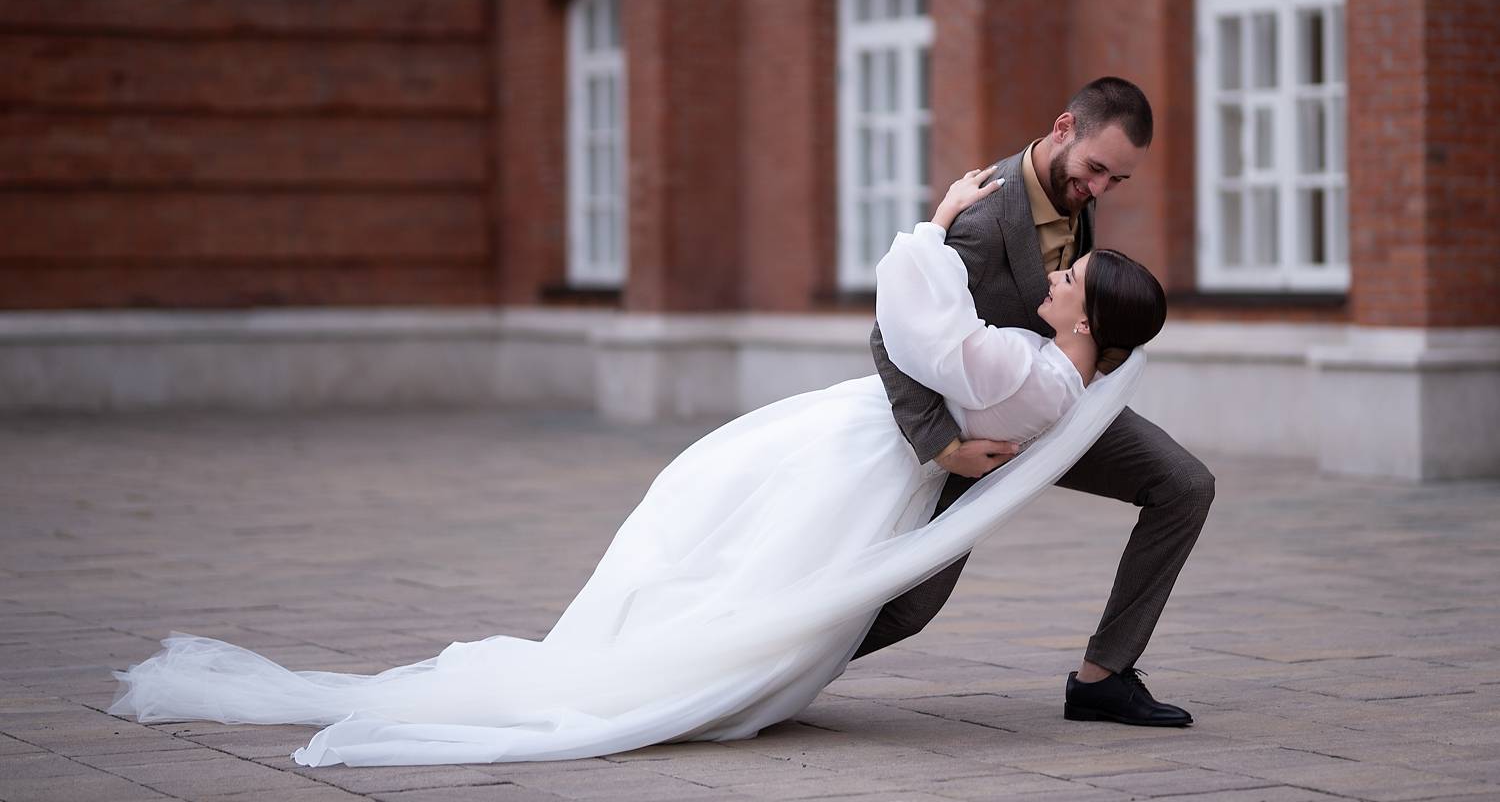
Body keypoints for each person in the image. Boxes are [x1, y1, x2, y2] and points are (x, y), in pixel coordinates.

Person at [109, 166, 1168, 767]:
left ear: (1091, 323)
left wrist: (932, 226)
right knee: (732, 548)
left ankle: (663, 670)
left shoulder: (1035, 378)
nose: (1057, 278)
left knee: (734, 552)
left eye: (1073, 281)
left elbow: (924, 328)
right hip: (868, 453)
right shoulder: (1051, 374)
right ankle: (683, 662)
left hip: (860, 458)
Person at [860, 76, 1214, 728]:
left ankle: (1104, 678)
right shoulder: (985, 214)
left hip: (1054, 403)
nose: (1099, 188)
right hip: (971, 433)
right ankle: (769, 672)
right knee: (909, 608)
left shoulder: (1075, 195)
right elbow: (892, 332)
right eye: (1095, 169)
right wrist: (944, 447)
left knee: (1183, 485)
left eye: (1117, 180)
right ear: (1062, 129)